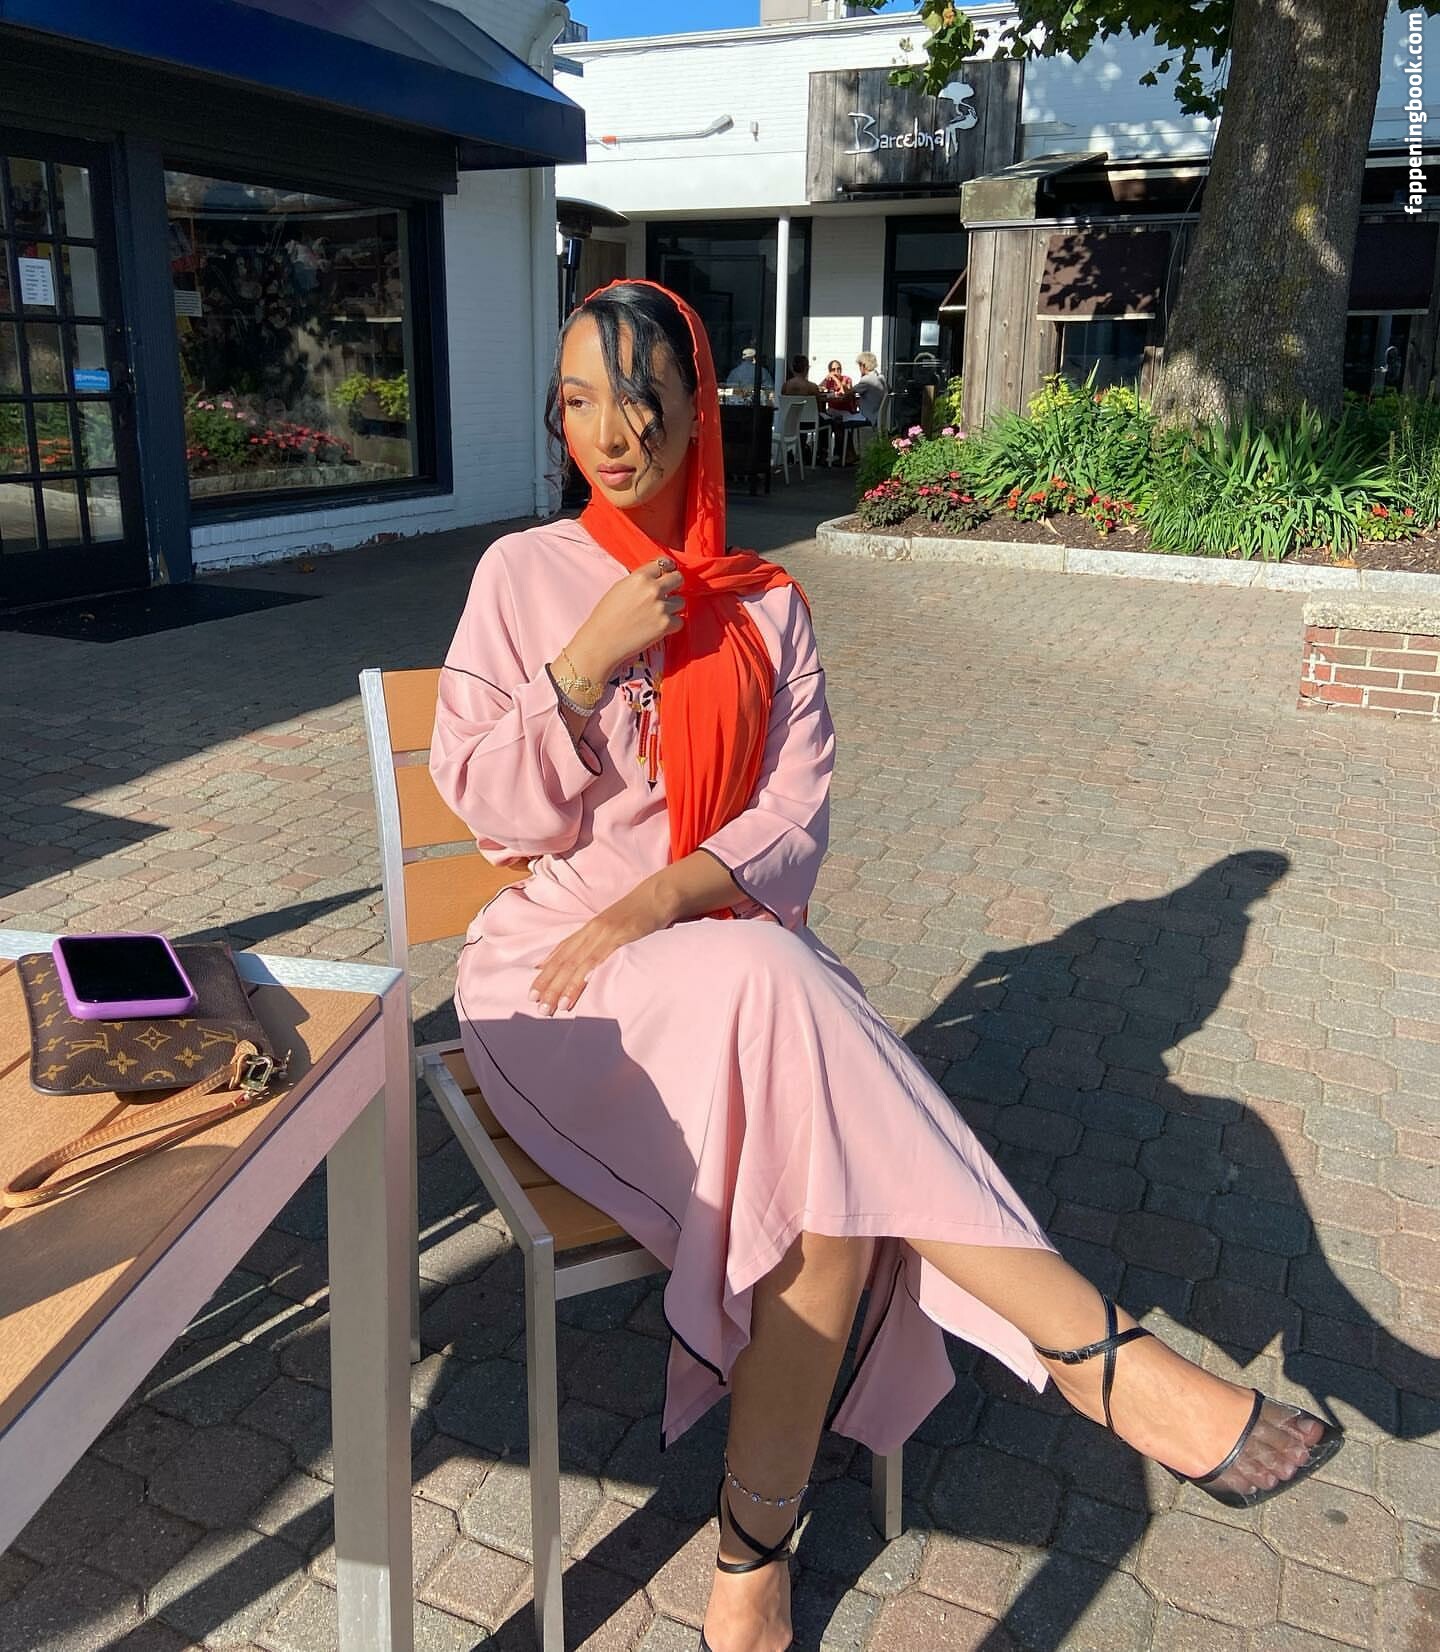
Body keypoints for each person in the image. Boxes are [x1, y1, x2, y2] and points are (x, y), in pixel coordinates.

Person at [431, 279, 1341, 1652]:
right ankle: (1089, 1349)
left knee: (817, 1156)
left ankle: (750, 1556)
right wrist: (579, 667)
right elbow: (489, 810)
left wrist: (665, 895)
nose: (609, 432)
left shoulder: (768, 606)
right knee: (787, 995)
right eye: (577, 402)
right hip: (559, 980)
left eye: (640, 396)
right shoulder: (522, 575)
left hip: (717, 963)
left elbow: (793, 820)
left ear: (698, 404)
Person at [853, 350, 888, 425]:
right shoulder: (881, 377)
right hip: (876, 416)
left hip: (867, 417)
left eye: (859, 365)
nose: (859, 368)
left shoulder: (867, 379)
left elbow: (849, 392)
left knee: (840, 419)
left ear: (864, 365)